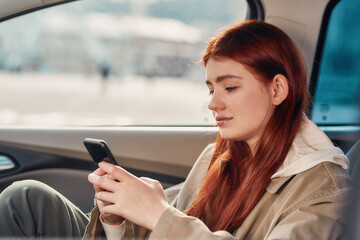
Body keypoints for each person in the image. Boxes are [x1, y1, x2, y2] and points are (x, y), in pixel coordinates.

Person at [0, 20, 352, 239]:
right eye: (211, 89)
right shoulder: (221, 156)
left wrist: (158, 214)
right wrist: (117, 218)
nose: (213, 103)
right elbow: (168, 223)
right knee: (26, 196)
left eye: (229, 88)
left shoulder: (323, 189)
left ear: (278, 89)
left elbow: (167, 222)